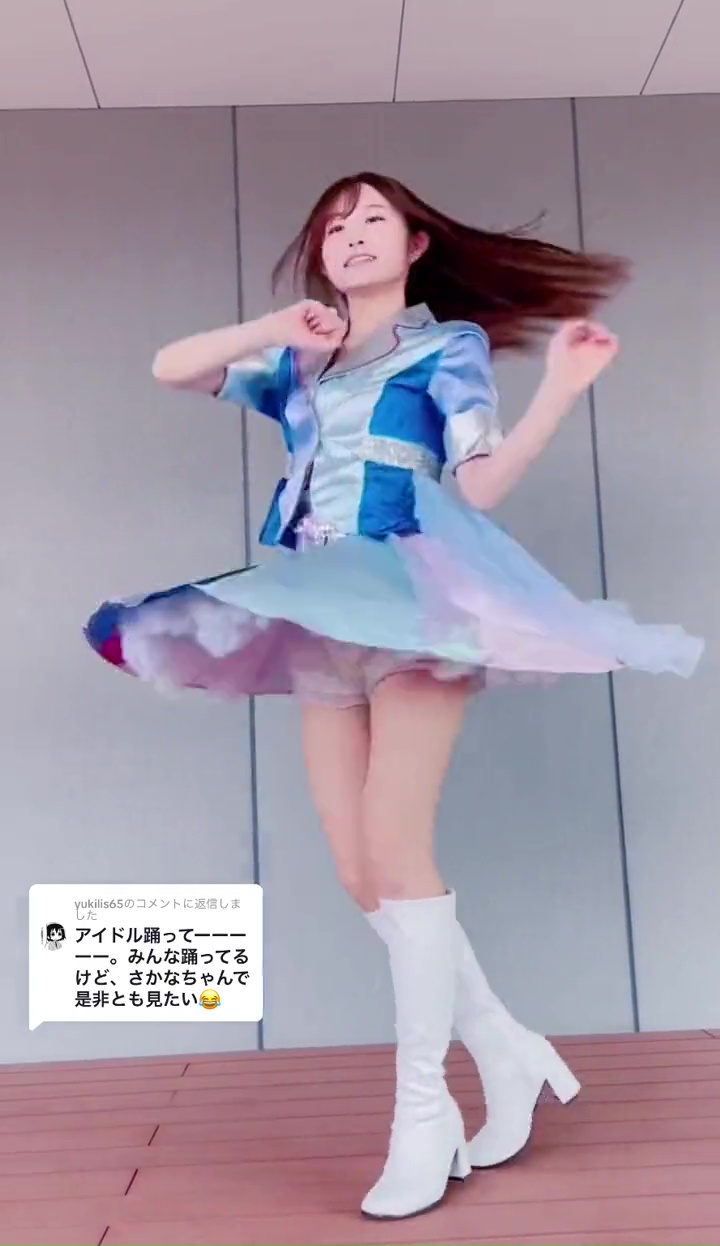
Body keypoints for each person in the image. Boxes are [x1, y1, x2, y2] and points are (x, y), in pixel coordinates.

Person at [85, 173, 703, 1221]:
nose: (352, 234)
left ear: (416, 245)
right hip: (316, 605)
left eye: (374, 218)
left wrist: (559, 387)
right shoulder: (299, 361)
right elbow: (170, 366)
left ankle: (424, 1111)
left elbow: (479, 485)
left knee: (397, 850)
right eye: (335, 224)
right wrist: (281, 326)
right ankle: (507, 1048)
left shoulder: (446, 347)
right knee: (356, 868)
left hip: (416, 601)